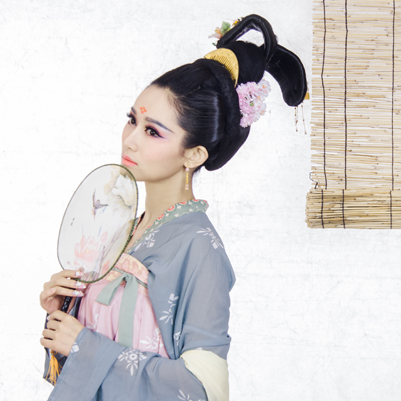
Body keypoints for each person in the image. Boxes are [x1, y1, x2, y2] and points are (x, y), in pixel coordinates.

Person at [40, 14, 307, 401]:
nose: (130, 140)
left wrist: (85, 346)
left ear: (194, 154)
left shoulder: (200, 249)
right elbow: (75, 368)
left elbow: (201, 389)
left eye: (152, 131)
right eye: (132, 120)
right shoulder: (123, 229)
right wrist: (63, 311)